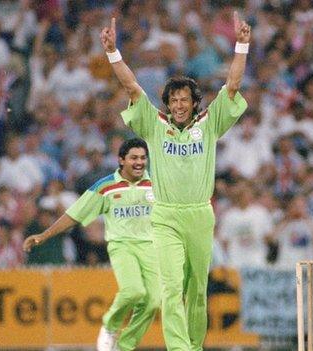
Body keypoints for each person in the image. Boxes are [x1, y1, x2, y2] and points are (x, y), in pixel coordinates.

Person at [99, 12, 250, 351]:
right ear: (166, 104)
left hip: (199, 214)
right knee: (170, 288)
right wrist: (113, 52)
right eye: (174, 100)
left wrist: (242, 44)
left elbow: (234, 85)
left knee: (196, 290)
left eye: (185, 100)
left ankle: (194, 346)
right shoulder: (154, 125)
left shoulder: (209, 123)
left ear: (195, 104)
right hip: (165, 215)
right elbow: (131, 87)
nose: (179, 105)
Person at [23, 138, 159, 351]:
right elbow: (75, 214)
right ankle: (110, 326)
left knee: (153, 301)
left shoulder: (156, 183)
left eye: (143, 158)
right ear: (121, 160)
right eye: (134, 158)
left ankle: (125, 345)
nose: (139, 162)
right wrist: (45, 235)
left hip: (151, 246)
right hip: (122, 246)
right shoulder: (106, 187)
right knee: (133, 291)